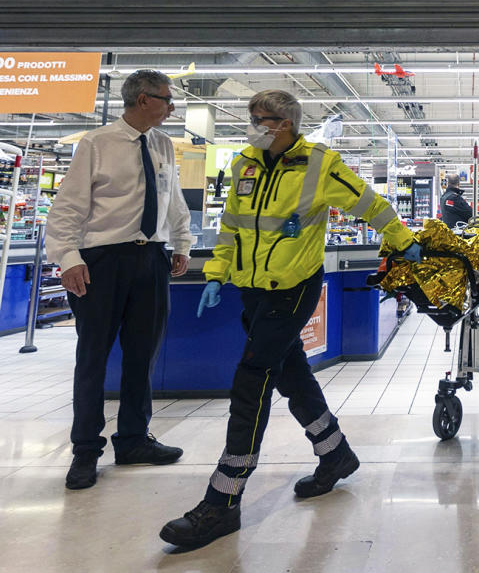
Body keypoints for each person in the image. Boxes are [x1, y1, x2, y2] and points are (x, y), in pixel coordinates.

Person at [160, 89, 421, 547]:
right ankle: (335, 453)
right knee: (292, 373)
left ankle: (222, 502)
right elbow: (232, 227)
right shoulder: (244, 162)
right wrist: (218, 274)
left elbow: (369, 204)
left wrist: (402, 239)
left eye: (259, 119)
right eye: (251, 118)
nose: (252, 125)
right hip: (252, 290)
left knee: (252, 378)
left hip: (294, 287)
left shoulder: (319, 164)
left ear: (283, 124)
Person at [46, 69, 192, 491]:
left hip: (151, 259)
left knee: (141, 355)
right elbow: (68, 208)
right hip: (102, 261)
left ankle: (132, 440)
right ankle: (85, 451)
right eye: (167, 99)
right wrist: (68, 257)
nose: (171, 107)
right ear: (143, 99)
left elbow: (172, 199)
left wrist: (180, 242)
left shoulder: (162, 144)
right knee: (92, 358)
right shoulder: (96, 144)